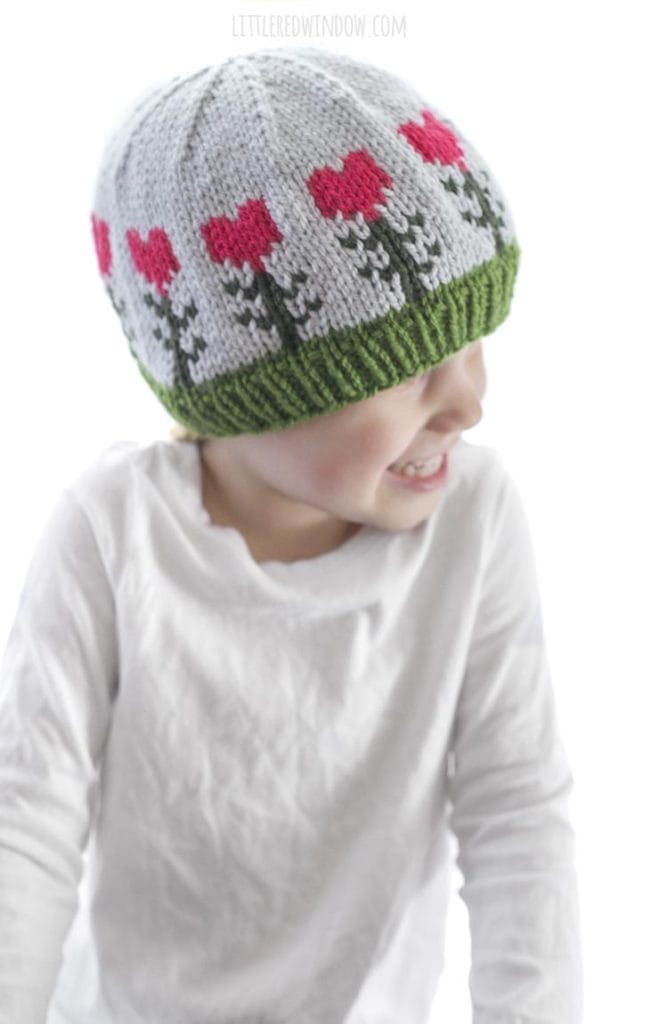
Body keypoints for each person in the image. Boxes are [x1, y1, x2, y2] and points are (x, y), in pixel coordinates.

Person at [0, 45, 584, 1024]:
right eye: (408, 370)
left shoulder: (473, 521)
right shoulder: (111, 535)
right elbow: (27, 822)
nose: (469, 402)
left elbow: (517, 812)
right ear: (249, 390)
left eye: (472, 341)